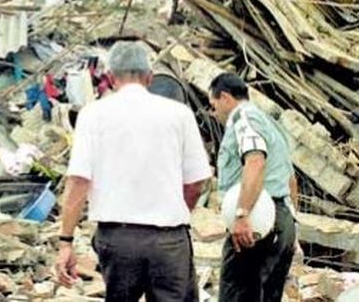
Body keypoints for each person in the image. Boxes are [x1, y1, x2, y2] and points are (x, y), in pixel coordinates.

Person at [55, 41, 211, 301]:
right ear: (150, 77)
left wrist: (65, 242)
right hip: (168, 240)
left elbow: (79, 182)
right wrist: (174, 213)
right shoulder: (179, 114)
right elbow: (196, 182)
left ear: (111, 77)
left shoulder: (92, 115)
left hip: (118, 239)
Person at [208, 73, 297, 302]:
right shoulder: (270, 124)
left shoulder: (244, 119)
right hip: (280, 221)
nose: (213, 112)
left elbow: (255, 160)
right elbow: (290, 179)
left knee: (237, 294)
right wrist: (292, 228)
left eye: (213, 105)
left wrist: (242, 213)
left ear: (225, 97)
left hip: (256, 223)